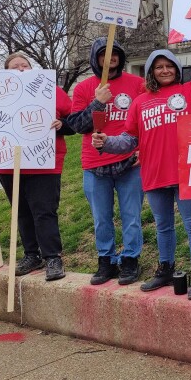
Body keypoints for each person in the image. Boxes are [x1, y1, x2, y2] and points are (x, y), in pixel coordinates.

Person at [93, 24, 191, 299]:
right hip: (154, 174)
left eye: (168, 65)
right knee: (163, 226)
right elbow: (129, 139)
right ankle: (165, 269)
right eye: (158, 67)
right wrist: (107, 143)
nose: (164, 70)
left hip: (186, 173)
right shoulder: (140, 102)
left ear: (176, 68)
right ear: (150, 73)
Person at [0, 52, 74, 282]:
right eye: (14, 67)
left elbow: (75, 120)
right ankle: (31, 254)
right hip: (9, 164)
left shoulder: (51, 92)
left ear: (32, 69)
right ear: (5, 73)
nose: (20, 69)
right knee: (21, 211)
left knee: (44, 211)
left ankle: (52, 257)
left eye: (24, 65)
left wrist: (62, 125)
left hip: (44, 163)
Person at [66, 37, 145, 285]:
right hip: (95, 163)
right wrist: (98, 101)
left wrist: (142, 148)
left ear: (120, 58)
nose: (109, 58)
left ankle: (131, 259)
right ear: (95, 58)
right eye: (103, 54)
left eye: (114, 54)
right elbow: (78, 125)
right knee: (101, 217)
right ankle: (106, 260)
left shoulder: (137, 84)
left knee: (131, 215)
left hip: (129, 161)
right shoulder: (83, 88)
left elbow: (147, 119)